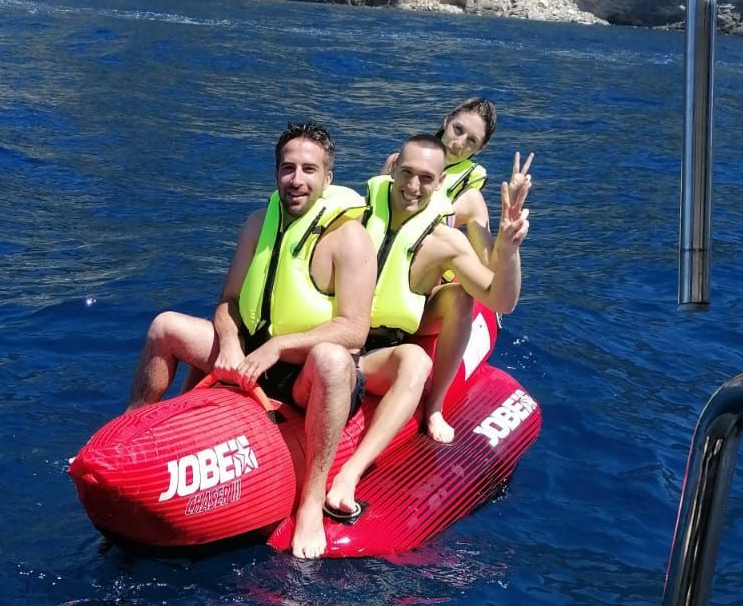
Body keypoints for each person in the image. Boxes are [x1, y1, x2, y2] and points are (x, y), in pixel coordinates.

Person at [128, 121, 375, 559]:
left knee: (334, 360)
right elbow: (227, 302)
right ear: (276, 173)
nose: (296, 180)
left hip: (305, 375)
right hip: (249, 357)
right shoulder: (258, 224)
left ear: (328, 178)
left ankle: (312, 503)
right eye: (287, 168)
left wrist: (278, 346)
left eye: (309, 170)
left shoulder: (348, 239)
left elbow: (355, 330)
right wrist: (229, 343)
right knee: (165, 325)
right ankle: (130, 435)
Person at [324, 133, 531, 520]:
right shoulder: (353, 214)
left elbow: (501, 301)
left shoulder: (444, 240)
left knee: (452, 307)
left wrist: (508, 248)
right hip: (335, 339)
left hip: (382, 349)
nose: (413, 186)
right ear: (392, 170)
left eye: (426, 178)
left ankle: (356, 469)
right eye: (407, 173)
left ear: (440, 184)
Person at [387, 96, 505, 443]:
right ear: (447, 118)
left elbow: (487, 267)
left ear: (480, 150)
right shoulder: (399, 163)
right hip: (380, 285)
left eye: (472, 142)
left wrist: (508, 241)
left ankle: (434, 405)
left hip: (424, 296)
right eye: (458, 130)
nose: (459, 144)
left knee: (464, 298)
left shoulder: (469, 198)